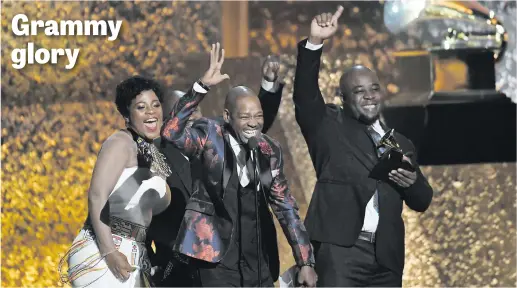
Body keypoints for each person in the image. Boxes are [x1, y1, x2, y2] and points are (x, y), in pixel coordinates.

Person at [293, 6, 434, 287]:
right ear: (343, 97)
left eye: (374, 89)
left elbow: (422, 200)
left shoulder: (399, 141)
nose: (369, 96)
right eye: (359, 92)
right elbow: (306, 96)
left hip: (386, 259)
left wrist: (412, 181)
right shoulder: (328, 125)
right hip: (341, 252)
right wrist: (314, 44)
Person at [161, 43, 318, 287]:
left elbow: (286, 207)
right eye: (245, 117)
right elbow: (171, 132)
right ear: (227, 117)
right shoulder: (209, 136)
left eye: (258, 116)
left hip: (258, 258)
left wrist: (305, 261)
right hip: (216, 258)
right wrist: (201, 86)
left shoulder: (268, 149)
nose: (253, 124)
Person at [145, 56, 285, 287]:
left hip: (241, 262)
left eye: (195, 111)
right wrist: (151, 261)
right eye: (184, 114)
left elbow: (254, 125)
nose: (192, 118)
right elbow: (144, 214)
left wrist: (268, 86)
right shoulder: (153, 156)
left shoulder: (217, 139)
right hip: (181, 266)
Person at [59, 76, 172, 287]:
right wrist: (109, 251)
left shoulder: (151, 150)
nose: (151, 112)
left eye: (155, 105)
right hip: (104, 251)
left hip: (132, 252)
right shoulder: (120, 143)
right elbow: (97, 194)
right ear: (126, 114)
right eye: (141, 107)